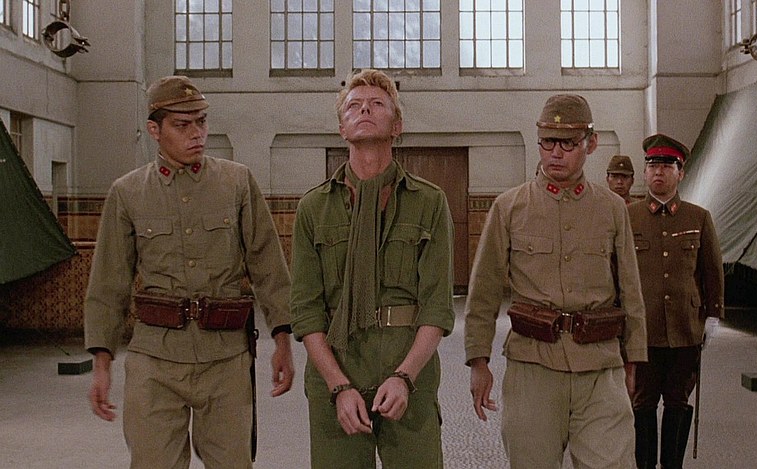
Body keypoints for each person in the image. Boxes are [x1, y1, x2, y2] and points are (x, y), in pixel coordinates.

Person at [84, 76, 295, 468]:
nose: (197, 133)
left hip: (226, 358)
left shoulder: (236, 182)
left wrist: (283, 340)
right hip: (155, 360)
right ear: (154, 130)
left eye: (201, 122)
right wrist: (101, 363)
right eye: (182, 125)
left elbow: (269, 267)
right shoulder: (128, 193)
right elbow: (108, 284)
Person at [465, 94, 648, 468]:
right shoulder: (509, 208)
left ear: (591, 144)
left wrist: (634, 358)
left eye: (568, 143)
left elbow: (631, 289)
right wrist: (478, 360)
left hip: (599, 366)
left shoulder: (612, 209)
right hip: (533, 366)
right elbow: (483, 290)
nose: (556, 153)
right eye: (548, 142)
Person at [290, 69, 455, 469]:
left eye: (377, 104)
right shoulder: (314, 208)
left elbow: (437, 307)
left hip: (407, 370)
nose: (364, 109)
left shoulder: (428, 202)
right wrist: (337, 386)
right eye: (353, 106)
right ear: (342, 129)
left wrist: (405, 377)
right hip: (337, 371)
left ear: (397, 126)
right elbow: (306, 312)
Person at [628, 134, 724, 469]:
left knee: (677, 402)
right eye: (653, 166)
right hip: (643, 331)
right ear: (644, 173)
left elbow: (711, 270)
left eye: (667, 166)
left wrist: (713, 315)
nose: (659, 172)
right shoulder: (629, 217)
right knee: (642, 403)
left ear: (680, 173)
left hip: (686, 329)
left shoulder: (698, 218)